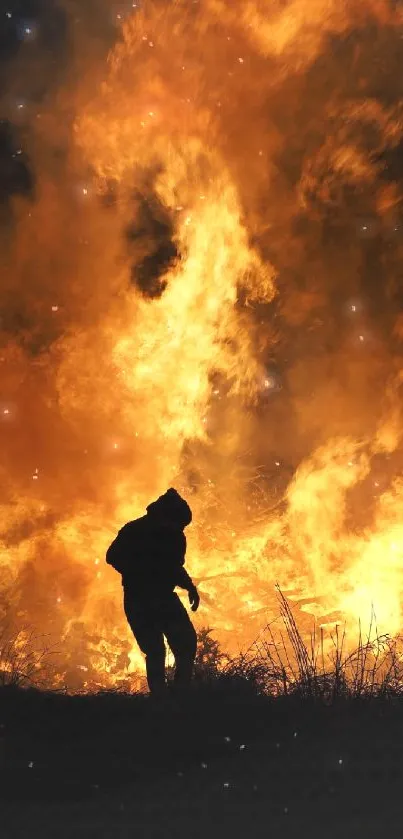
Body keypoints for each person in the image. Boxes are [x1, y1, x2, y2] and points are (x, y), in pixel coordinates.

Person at [106, 488, 200, 695]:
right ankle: (160, 697)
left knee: (186, 642)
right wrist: (139, 571)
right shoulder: (134, 530)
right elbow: (112, 556)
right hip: (139, 599)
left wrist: (189, 586)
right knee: (155, 650)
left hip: (164, 598)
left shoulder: (175, 536)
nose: (180, 529)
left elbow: (174, 567)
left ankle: (181, 691)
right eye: (178, 523)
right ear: (165, 516)